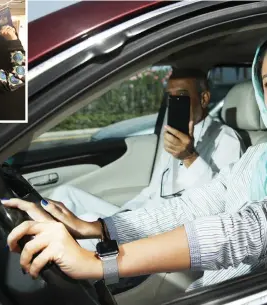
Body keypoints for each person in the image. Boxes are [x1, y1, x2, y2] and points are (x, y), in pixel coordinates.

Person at [4, 26, 267, 291]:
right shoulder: (264, 156)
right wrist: (101, 228)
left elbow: (253, 228)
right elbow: (199, 204)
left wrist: (102, 262)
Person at [47, 68, 245, 229]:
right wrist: (123, 214)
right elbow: (151, 191)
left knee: (87, 220)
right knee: (65, 194)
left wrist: (189, 156)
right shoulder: (172, 135)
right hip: (144, 217)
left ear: (203, 99)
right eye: (170, 97)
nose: (174, 103)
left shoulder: (226, 140)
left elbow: (221, 203)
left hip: (169, 228)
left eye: (182, 96)